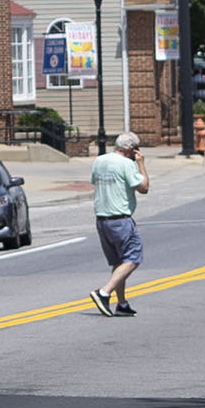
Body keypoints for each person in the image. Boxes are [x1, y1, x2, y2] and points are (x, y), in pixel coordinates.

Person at [88, 133, 150, 318]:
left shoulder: (99, 161)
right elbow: (144, 188)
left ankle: (122, 304)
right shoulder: (127, 164)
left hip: (102, 220)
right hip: (120, 219)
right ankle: (104, 292)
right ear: (132, 150)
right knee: (133, 258)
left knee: (118, 263)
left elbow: (94, 182)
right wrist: (141, 164)